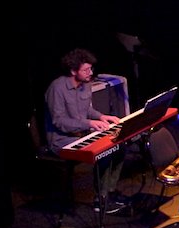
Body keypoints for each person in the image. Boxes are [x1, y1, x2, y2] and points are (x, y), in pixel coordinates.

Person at [44, 48, 128, 213]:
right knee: (105, 150)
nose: (90, 73)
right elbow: (60, 122)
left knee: (120, 144)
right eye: (86, 70)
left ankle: (109, 191)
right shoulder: (57, 88)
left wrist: (102, 116)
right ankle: (101, 200)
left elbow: (86, 110)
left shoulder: (85, 85)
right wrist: (89, 123)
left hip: (82, 135)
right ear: (73, 71)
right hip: (62, 141)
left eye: (91, 68)